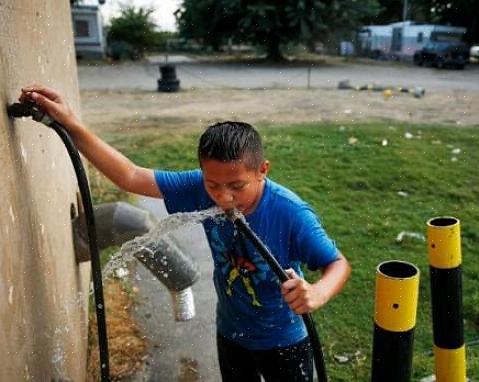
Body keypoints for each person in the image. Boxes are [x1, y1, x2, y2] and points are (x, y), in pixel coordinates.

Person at [19, 85, 351, 382]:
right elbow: (131, 176)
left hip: (285, 342)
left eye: (237, 186)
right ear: (203, 173)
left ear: (262, 170)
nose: (223, 197)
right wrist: (72, 124)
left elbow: (337, 264)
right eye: (213, 185)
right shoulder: (199, 188)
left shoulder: (290, 213)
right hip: (231, 335)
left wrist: (318, 294)